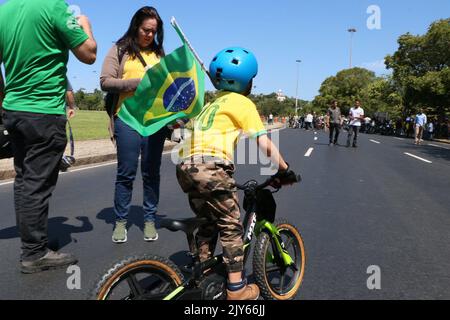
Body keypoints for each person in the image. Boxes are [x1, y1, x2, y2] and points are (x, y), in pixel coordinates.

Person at [176, 47, 298, 300]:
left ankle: (204, 275)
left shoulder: (212, 104)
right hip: (211, 167)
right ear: (246, 81)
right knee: (231, 228)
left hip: (186, 166)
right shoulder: (242, 102)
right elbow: (263, 142)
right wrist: (285, 169)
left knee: (208, 223)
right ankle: (236, 289)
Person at [0, 0, 97, 274]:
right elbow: (88, 54)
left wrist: (4, 99)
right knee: (37, 185)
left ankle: (35, 242)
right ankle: (33, 254)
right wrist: (85, 26)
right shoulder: (54, 6)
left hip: (15, 111)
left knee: (25, 180)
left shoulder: (3, 10)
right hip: (44, 112)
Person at [100, 6, 169, 243]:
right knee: (126, 172)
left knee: (151, 172)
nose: (149, 35)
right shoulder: (120, 50)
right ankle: (121, 221)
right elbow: (105, 82)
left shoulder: (160, 55)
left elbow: (168, 87)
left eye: (154, 31)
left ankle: (149, 219)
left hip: (154, 122)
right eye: (145, 30)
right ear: (135, 27)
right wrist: (135, 83)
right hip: (127, 119)